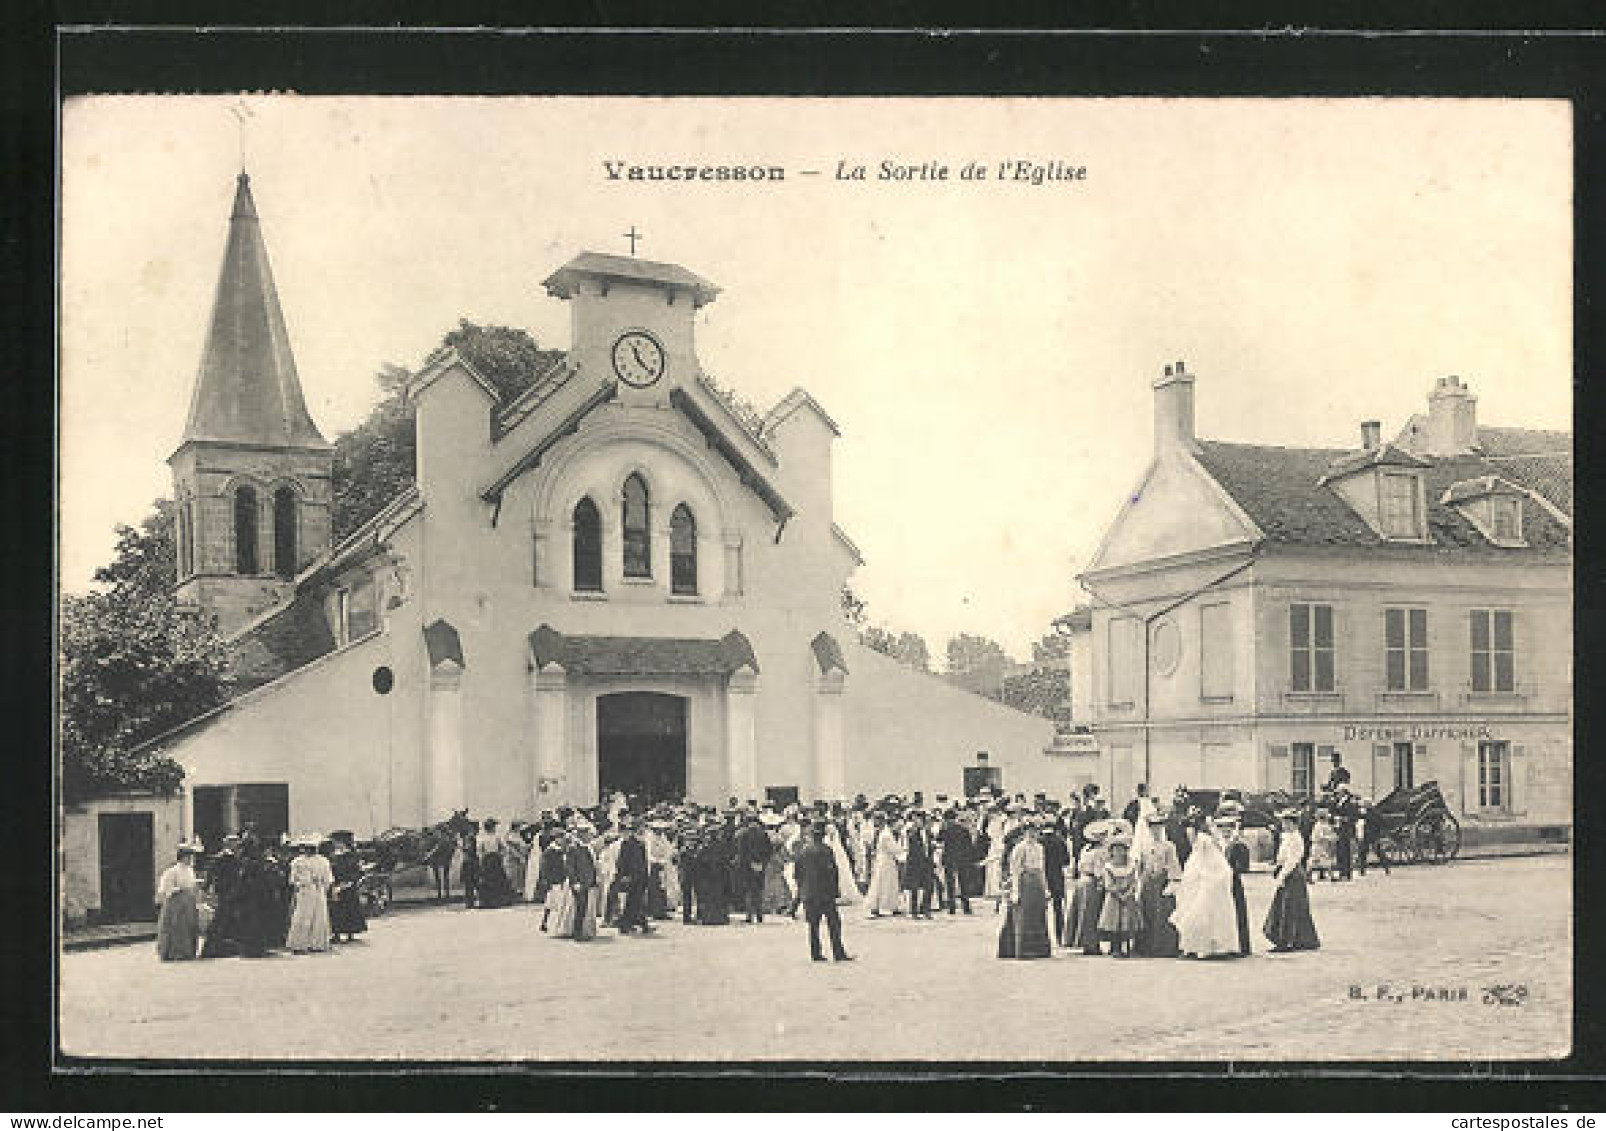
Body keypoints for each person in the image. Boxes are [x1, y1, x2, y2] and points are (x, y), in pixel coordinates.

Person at [1170, 816, 1241, 959]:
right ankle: (1194, 946)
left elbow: (1213, 863)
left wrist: (1206, 878)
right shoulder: (1197, 847)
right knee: (1195, 912)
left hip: (1208, 881)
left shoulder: (1205, 841)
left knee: (1206, 913)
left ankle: (1211, 947)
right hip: (1198, 880)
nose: (1189, 837)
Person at [795, 819, 853, 962]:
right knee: (834, 923)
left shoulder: (803, 851)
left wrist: (802, 890)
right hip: (824, 893)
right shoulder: (826, 850)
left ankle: (816, 953)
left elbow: (797, 873)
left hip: (809, 893)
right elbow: (832, 872)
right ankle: (838, 952)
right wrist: (835, 891)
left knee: (813, 926)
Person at [1265, 809, 1321, 952]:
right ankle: (1300, 939)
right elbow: (1282, 857)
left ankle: (1286, 941)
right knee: (1289, 906)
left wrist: (1282, 876)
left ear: (1293, 823)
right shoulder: (1288, 837)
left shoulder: (1296, 838)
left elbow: (1292, 860)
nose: (1284, 824)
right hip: (1289, 871)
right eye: (1284, 822)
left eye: (1287, 822)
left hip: (1293, 874)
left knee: (1290, 907)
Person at [997, 821, 1052, 960]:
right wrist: (1015, 891)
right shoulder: (1020, 848)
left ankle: (1039, 950)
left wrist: (1045, 889)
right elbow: (1015, 870)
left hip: (1037, 883)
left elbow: (1042, 869)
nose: (1032, 834)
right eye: (1029, 831)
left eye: (1035, 831)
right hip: (1024, 882)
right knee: (1023, 916)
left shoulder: (1040, 847)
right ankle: (1023, 949)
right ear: (1024, 832)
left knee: (1037, 916)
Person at [1135, 809, 1182, 957]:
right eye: (1153, 827)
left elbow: (1174, 865)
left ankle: (1162, 947)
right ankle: (1145, 947)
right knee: (1147, 912)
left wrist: (1171, 881)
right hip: (1148, 883)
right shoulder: (1144, 846)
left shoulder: (1169, 846)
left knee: (1162, 914)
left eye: (1158, 827)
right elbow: (1140, 866)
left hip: (1162, 882)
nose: (1156, 830)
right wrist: (1140, 880)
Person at [1065, 819, 1109, 954]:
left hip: (1082, 881)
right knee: (1092, 914)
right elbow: (1099, 871)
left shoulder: (1085, 850)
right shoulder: (1100, 852)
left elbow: (1078, 867)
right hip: (1092, 882)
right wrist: (1104, 884)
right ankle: (1091, 944)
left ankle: (1083, 942)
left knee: (1082, 913)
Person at [1097, 831, 1144, 958]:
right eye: (1116, 850)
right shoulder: (1108, 867)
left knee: (1128, 922)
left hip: (1128, 897)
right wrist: (1118, 893)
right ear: (1111, 852)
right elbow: (1108, 884)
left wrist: (1129, 892)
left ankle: (1129, 947)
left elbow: (1134, 881)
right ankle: (1115, 947)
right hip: (1114, 898)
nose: (1118, 853)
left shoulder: (1131, 866)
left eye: (1121, 850)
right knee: (1114, 923)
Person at [155, 842, 203, 961]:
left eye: (190, 857)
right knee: (176, 927)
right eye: (187, 857)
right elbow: (166, 888)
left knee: (189, 926)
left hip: (188, 902)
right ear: (181, 857)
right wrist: (178, 889)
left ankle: (187, 952)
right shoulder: (172, 871)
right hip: (176, 902)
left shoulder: (190, 870)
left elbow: (191, 884)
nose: (189, 859)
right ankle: (174, 952)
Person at [285, 838, 334, 954]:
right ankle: (309, 943)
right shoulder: (320, 861)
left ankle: (306, 943)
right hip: (312, 889)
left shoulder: (299, 861)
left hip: (310, 889)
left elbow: (292, 880)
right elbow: (328, 879)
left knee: (310, 915)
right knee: (309, 916)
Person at [324, 831, 367, 944]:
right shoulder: (333, 855)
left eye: (336, 842)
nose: (334, 844)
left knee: (350, 909)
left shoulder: (353, 855)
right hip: (335, 885)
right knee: (336, 910)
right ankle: (336, 934)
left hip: (348, 886)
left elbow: (357, 872)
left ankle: (350, 933)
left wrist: (348, 883)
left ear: (343, 842)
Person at [561, 822, 600, 941]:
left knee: (584, 908)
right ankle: (577, 933)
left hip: (587, 882)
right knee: (580, 908)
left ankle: (582, 930)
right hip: (579, 883)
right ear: (582, 835)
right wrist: (575, 882)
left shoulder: (587, 847)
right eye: (587, 834)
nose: (590, 836)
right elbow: (569, 867)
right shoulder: (573, 848)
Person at [1221, 817, 1253, 956]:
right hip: (1220, 883)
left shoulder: (1238, 845)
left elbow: (1243, 866)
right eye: (1223, 828)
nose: (1226, 831)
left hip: (1233, 882)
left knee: (1238, 911)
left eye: (1229, 828)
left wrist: (1232, 871)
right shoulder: (1218, 844)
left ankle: (1242, 945)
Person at [734, 812, 774, 924]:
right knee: (759, 890)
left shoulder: (743, 834)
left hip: (747, 865)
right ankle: (759, 915)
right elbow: (769, 849)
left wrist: (745, 863)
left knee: (749, 890)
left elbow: (741, 852)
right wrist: (763, 862)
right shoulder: (763, 833)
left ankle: (749, 915)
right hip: (760, 865)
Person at [614, 817, 652, 934]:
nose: (644, 829)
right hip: (631, 876)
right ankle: (625, 925)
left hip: (641, 876)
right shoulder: (628, 843)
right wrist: (623, 875)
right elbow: (621, 861)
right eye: (642, 827)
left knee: (638, 901)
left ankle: (638, 922)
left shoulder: (642, 842)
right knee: (631, 901)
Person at [865, 812, 903, 917]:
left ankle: (889, 905)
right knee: (885, 883)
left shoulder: (884, 833)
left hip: (885, 860)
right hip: (886, 861)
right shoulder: (886, 835)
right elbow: (893, 849)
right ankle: (883, 906)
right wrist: (902, 848)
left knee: (887, 882)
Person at [1039, 817, 1071, 945]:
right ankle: (1059, 936)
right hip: (1057, 877)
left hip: (1042, 877)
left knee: (1041, 908)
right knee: (1058, 909)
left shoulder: (1039, 842)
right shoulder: (1060, 841)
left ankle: (1042, 937)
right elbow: (1066, 861)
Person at [936, 808, 974, 915]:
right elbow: (969, 846)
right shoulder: (964, 829)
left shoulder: (945, 829)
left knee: (950, 884)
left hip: (949, 859)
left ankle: (951, 907)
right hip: (962, 859)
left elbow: (938, 840)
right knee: (963, 883)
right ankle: (966, 907)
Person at [902, 810, 936, 919]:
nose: (916, 822)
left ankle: (926, 909)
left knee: (929, 887)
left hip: (927, 863)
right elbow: (911, 849)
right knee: (914, 888)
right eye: (914, 820)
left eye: (918, 820)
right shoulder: (911, 833)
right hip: (915, 864)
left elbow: (929, 846)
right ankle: (914, 911)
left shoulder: (928, 832)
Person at [475, 818, 514, 909]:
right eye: (492, 826)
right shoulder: (482, 838)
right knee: (487, 880)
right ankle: (486, 901)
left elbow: (504, 848)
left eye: (493, 826)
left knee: (499, 879)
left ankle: (499, 900)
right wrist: (482, 859)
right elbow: (479, 850)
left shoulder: (496, 837)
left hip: (495, 859)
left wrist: (501, 855)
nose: (493, 828)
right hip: (487, 860)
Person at [1308, 808, 1338, 882]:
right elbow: (1320, 837)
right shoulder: (1319, 825)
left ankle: (1330, 876)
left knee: (1323, 861)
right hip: (1318, 846)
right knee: (1317, 861)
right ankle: (1308, 876)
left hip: (1322, 846)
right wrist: (1330, 838)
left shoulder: (1324, 825)